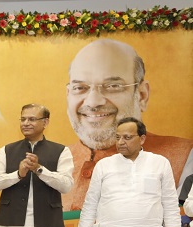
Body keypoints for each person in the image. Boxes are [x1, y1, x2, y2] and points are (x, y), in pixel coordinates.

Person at [63, 39, 193, 211]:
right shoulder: (52, 160)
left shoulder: (185, 158)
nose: (93, 102)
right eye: (80, 88)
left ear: (142, 95)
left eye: (112, 86)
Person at [77, 118, 184, 227]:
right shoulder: (104, 165)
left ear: (142, 139)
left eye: (127, 137)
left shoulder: (160, 163)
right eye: (118, 137)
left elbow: (170, 201)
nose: (120, 142)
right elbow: (91, 201)